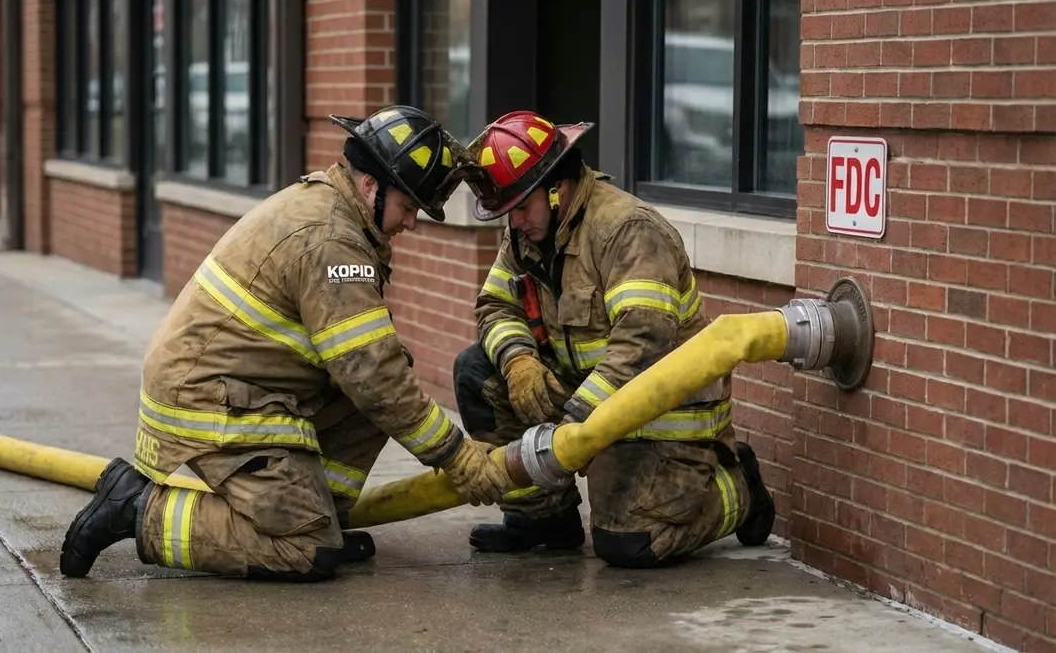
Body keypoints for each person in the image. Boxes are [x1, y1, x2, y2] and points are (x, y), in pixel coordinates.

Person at [59, 105, 512, 582]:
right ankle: (136, 509)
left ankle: (321, 517)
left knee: (384, 381)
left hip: (239, 387)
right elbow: (374, 376)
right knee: (307, 551)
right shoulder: (331, 240)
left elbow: (376, 372)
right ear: (372, 186)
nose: (412, 223)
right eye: (409, 207)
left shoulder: (333, 210)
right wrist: (456, 455)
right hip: (211, 399)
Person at [451, 110, 776, 568]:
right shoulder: (529, 233)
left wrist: (575, 428)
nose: (515, 221)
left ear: (556, 188)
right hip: (588, 402)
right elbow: (494, 305)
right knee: (476, 370)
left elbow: (641, 345)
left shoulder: (628, 231)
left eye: (521, 207)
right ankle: (543, 516)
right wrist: (518, 359)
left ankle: (737, 486)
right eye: (508, 212)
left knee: (628, 544)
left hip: (659, 412)